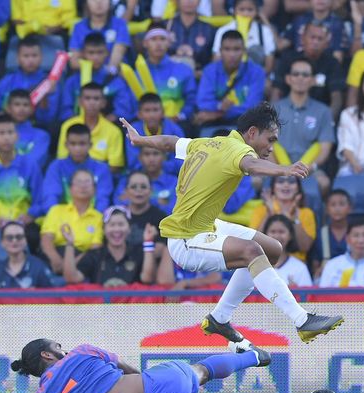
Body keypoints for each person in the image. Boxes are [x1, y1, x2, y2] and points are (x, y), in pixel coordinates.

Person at [120, 102, 344, 344]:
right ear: (252, 133)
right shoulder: (239, 151)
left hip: (207, 225)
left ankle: (219, 318)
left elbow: (170, 142)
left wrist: (140, 140)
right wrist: (285, 170)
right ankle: (302, 320)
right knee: (251, 252)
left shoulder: (207, 142)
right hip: (186, 239)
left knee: (272, 249)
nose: (271, 148)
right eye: (270, 140)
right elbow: (252, 165)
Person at [11, 338, 335, 393]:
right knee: (202, 371)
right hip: (155, 388)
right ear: (48, 355)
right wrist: (147, 385)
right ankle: (254, 356)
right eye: (57, 347)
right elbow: (123, 366)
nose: (63, 348)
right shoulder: (82, 352)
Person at [62, 206, 172, 286]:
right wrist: (70, 244)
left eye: (121, 224)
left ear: (129, 228)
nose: (116, 229)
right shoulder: (95, 255)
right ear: (104, 230)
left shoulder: (137, 252)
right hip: (101, 313)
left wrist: (148, 242)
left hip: (133, 313)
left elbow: (147, 278)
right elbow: (72, 278)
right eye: (112, 225)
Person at [273, 58, 336, 195]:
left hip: (310, 169)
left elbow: (325, 148)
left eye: (305, 75)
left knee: (324, 183)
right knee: (256, 181)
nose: (300, 78)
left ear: (313, 80)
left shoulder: (323, 111)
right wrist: (278, 169)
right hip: (278, 167)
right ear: (288, 79)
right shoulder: (274, 108)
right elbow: (266, 144)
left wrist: (310, 167)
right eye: (296, 74)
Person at [0, 115, 44, 233]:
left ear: (17, 136)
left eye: (10, 133)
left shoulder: (30, 165)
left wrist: (30, 216)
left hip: (24, 224)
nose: (6, 138)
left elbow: (40, 200)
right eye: (1, 133)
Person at [271, 21, 345, 119]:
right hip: (287, 115)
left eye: (320, 39)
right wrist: (273, 119)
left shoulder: (332, 63)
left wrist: (327, 121)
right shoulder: (287, 60)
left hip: (319, 116)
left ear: (326, 44)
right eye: (312, 37)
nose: (315, 42)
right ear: (302, 39)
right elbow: (276, 92)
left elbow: (336, 98)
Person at [194, 30, 266, 130]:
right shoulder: (209, 71)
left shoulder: (257, 72)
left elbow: (252, 107)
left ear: (244, 51)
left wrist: (219, 113)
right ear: (220, 51)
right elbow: (202, 102)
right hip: (212, 123)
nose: (232, 54)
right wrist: (220, 106)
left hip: (243, 124)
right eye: (227, 49)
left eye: (236, 49)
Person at [0, 34, 61, 128]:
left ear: (41, 57)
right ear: (18, 58)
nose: (30, 60)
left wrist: (44, 97)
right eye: (26, 56)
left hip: (36, 129)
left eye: (34, 56)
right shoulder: (7, 81)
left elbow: (48, 119)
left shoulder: (49, 82)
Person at [60, 32, 137, 122]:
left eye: (100, 52)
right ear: (83, 54)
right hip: (78, 129)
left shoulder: (115, 80)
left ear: (107, 53)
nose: (95, 57)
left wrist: (100, 125)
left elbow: (123, 111)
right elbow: (65, 111)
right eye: (91, 53)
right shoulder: (72, 81)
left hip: (109, 128)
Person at [41, 170, 103, 274]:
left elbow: (95, 248)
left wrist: (70, 265)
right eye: (79, 182)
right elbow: (46, 239)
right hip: (55, 256)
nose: (83, 186)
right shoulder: (56, 210)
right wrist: (55, 259)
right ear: (70, 189)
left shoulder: (99, 218)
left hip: (81, 260)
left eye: (87, 182)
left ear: (95, 190)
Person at [42, 123, 113, 214]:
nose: (77, 148)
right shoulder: (56, 167)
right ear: (66, 145)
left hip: (93, 220)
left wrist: (93, 219)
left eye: (82, 144)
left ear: (90, 145)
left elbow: (103, 200)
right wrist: (57, 218)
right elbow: (50, 197)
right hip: (62, 220)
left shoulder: (102, 168)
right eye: (73, 144)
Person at [137, 23, 198, 124]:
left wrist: (181, 116)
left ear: (169, 42)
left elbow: (191, 99)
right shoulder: (137, 72)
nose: (158, 44)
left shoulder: (184, 70)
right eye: (153, 39)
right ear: (145, 43)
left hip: (178, 123)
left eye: (162, 39)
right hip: (145, 125)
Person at [57, 82, 124, 172]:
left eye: (96, 99)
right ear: (80, 101)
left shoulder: (114, 131)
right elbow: (62, 159)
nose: (92, 102)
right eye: (87, 98)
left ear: (103, 103)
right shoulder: (67, 126)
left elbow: (114, 166)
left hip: (100, 178)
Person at [251, 175, 316, 262]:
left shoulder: (306, 213)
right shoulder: (260, 210)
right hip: (265, 262)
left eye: (291, 181)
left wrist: (295, 218)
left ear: (298, 188)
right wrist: (269, 213)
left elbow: (305, 247)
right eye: (280, 181)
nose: (286, 185)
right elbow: (254, 243)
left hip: (297, 264)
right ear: (273, 188)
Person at [124, 93, 184, 175]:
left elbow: (181, 163)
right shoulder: (133, 131)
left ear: (163, 112)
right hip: (141, 175)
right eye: (147, 110)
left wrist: (159, 166)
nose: (152, 115)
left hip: (169, 176)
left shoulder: (174, 130)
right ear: (139, 114)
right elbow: (133, 163)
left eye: (155, 110)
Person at [212, 0, 277, 73]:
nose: (245, 14)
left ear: (256, 12)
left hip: (256, 77)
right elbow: (216, 59)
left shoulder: (264, 31)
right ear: (234, 11)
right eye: (241, 9)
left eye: (250, 10)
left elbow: (269, 63)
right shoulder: (223, 30)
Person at [279, 0, 349, 63]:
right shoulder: (300, 20)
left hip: (325, 67)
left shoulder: (337, 24)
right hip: (299, 65)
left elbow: (337, 58)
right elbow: (280, 46)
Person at [68, 0, 130, 71]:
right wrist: (92, 69)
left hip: (113, 76)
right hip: (85, 74)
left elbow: (115, 60)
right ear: (86, 3)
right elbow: (74, 62)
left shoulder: (120, 25)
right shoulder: (78, 27)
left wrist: (106, 73)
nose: (99, 2)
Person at [0, 221, 54, 289]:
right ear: (2, 243)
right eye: (9, 237)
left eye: (19, 237)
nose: (14, 241)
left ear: (26, 241)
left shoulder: (39, 267)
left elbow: (51, 297)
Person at [114, 149, 178, 214]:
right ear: (140, 157)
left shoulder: (174, 182)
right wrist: (157, 201)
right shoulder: (126, 179)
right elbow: (118, 205)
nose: (151, 159)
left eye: (156, 154)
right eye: (147, 154)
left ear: (164, 157)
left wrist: (135, 198)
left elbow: (173, 210)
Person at [310, 189, 352, 280]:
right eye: (333, 205)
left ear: (350, 208)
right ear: (327, 209)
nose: (337, 209)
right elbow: (315, 264)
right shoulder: (320, 234)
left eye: (341, 204)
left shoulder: (357, 233)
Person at [166, 0, 217, 72]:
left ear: (199, 2)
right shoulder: (166, 26)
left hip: (199, 78)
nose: (189, 1)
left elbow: (212, 61)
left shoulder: (209, 29)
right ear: (177, 1)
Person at [264, 215, 313, 287]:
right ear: (265, 235)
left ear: (290, 236)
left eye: (281, 232)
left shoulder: (299, 267)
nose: (277, 236)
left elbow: (308, 297)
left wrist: (296, 292)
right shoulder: (254, 265)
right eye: (273, 231)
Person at [10, 0, 77, 38]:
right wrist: (31, 28)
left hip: (56, 34)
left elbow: (68, 18)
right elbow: (16, 19)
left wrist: (53, 29)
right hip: (26, 35)